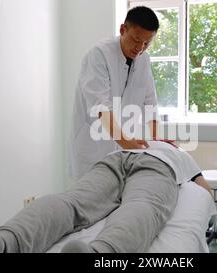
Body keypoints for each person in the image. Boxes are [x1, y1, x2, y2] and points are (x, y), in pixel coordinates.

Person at [0, 142, 212, 253]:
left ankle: (3, 242)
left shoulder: (135, 140)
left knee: (72, 201)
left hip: (114, 158)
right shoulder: (179, 154)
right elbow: (203, 190)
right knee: (142, 206)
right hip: (158, 168)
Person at [68, 6, 163, 181]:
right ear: (122, 30)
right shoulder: (99, 55)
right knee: (89, 201)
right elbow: (100, 107)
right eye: (136, 40)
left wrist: (157, 142)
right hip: (93, 149)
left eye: (147, 43)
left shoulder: (143, 60)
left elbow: (150, 103)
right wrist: (125, 141)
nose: (140, 48)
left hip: (122, 149)